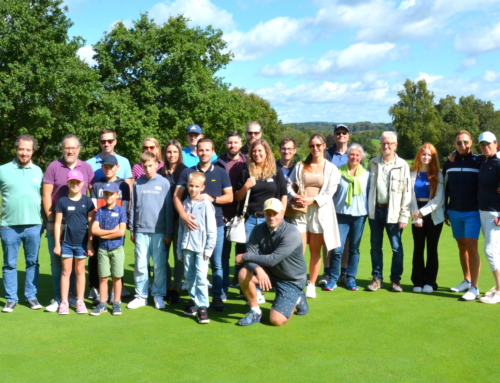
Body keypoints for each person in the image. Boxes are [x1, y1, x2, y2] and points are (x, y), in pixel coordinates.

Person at [174, 138, 233, 311]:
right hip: (192, 227)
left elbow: (229, 197)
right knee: (194, 267)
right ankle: (194, 300)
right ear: (196, 151)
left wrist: (212, 198)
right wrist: (184, 216)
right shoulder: (188, 172)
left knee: (216, 263)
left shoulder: (220, 172)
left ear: (213, 151)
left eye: (207, 150)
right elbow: (177, 197)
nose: (204, 153)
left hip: (216, 224)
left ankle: (217, 296)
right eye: (201, 150)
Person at [235, 198, 308, 326]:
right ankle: (255, 312)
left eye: (275, 213)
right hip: (270, 273)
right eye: (268, 213)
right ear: (264, 214)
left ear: (282, 213)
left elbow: (272, 259)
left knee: (276, 320)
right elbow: (253, 255)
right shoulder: (258, 230)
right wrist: (258, 269)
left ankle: (297, 298)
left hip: (291, 279)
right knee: (244, 273)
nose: (271, 217)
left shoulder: (291, 233)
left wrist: (245, 256)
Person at [42, 135, 95, 312]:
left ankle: (74, 298)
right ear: (62, 148)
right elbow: (46, 194)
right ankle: (60, 299)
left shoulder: (86, 168)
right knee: (59, 264)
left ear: (79, 149)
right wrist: (50, 220)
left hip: (80, 230)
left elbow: (91, 195)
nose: (70, 151)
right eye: (67, 148)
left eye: (73, 148)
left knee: (78, 268)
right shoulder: (53, 166)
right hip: (58, 224)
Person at [288, 134, 340, 298]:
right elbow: (289, 185)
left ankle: (311, 284)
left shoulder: (331, 168)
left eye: (318, 145)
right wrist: (295, 197)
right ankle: (297, 283)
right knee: (298, 250)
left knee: (316, 250)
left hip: (320, 213)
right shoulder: (300, 165)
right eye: (312, 146)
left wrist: (311, 200)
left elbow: (329, 192)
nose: (315, 148)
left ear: (324, 145)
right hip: (300, 212)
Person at [1, 135, 44, 313]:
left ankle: (31, 296)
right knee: (10, 264)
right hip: (9, 226)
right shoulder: (3, 170)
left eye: (28, 149)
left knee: (32, 262)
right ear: (16, 149)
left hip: (34, 225)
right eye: (21, 149)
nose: (24, 153)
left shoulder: (39, 171)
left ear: (32, 151)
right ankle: (11, 299)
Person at [127, 151, 174, 310]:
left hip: (159, 231)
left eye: (150, 166)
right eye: (145, 166)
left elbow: (168, 208)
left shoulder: (164, 183)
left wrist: (168, 232)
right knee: (140, 265)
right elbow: (133, 207)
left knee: (159, 265)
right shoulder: (137, 183)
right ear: (141, 167)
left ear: (156, 165)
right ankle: (141, 296)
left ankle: (158, 295)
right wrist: (132, 229)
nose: (148, 169)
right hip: (141, 231)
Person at [366, 131, 411, 292]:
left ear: (395, 145)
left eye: (389, 143)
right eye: (384, 143)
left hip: (394, 213)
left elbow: (407, 192)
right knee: (375, 247)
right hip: (376, 211)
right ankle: (377, 278)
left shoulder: (402, 165)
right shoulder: (373, 163)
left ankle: (396, 280)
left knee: (396, 248)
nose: (386, 146)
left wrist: (404, 215)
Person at [442, 130, 481, 300]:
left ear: (471, 142)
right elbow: (444, 189)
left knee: (472, 246)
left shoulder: (479, 161)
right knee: (461, 246)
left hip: (473, 211)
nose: (462, 145)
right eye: (459, 143)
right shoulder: (449, 163)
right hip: (454, 211)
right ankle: (466, 280)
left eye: (465, 142)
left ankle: (475, 287)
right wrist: (445, 210)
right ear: (454, 144)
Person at [89, 154, 131, 304]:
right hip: (99, 226)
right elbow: (94, 210)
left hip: (117, 227)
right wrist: (97, 230)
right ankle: (97, 290)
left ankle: (116, 293)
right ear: (102, 168)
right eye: (105, 167)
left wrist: (114, 231)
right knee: (97, 261)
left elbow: (124, 208)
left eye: (111, 167)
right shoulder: (97, 186)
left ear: (117, 168)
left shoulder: (124, 186)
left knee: (116, 261)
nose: (108, 169)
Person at [328, 144, 369, 292]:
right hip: (341, 215)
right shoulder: (338, 172)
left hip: (359, 216)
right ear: (347, 156)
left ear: (361, 157)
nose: (354, 157)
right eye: (352, 154)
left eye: (358, 155)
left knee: (354, 249)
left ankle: (351, 278)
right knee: (337, 249)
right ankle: (333, 278)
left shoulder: (366, 174)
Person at [53, 170, 95, 315]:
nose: (75, 185)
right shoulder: (62, 201)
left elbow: (91, 225)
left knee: (80, 272)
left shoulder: (87, 201)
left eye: (77, 182)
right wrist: (57, 244)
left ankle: (80, 301)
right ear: (68, 183)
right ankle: (64, 302)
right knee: (66, 272)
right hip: (66, 243)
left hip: (82, 244)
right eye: (72, 182)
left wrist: (89, 244)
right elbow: (58, 224)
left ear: (82, 183)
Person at [178, 172, 217, 324]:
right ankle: (194, 301)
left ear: (202, 187)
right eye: (191, 186)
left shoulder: (206, 204)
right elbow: (182, 229)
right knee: (189, 277)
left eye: (196, 186)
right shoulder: (185, 205)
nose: (193, 189)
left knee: (201, 277)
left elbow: (211, 230)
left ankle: (202, 306)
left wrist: (208, 249)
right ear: (187, 186)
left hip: (201, 249)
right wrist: (179, 249)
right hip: (187, 247)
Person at [213, 131, 248, 292]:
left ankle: (244, 288)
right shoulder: (217, 163)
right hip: (222, 216)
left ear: (241, 144)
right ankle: (223, 289)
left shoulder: (247, 163)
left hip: (243, 217)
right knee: (222, 256)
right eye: (229, 142)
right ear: (225, 144)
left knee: (243, 255)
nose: (232, 145)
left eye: (235, 142)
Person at [409, 144, 445, 294]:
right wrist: (416, 215)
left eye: (429, 155)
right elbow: (409, 196)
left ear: (433, 157)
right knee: (418, 248)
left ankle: (430, 282)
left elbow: (439, 199)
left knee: (431, 249)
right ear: (419, 155)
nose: (426, 157)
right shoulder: (412, 173)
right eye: (424, 154)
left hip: (434, 214)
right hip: (416, 211)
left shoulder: (438, 174)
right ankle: (417, 281)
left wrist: (422, 213)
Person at [90, 182, 128, 315]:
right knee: (103, 278)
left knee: (117, 277)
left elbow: (121, 232)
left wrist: (103, 233)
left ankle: (116, 303)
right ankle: (102, 304)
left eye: (111, 194)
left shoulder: (121, 211)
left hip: (117, 249)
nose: (108, 196)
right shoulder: (100, 211)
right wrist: (112, 232)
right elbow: (94, 230)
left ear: (117, 195)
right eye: (106, 193)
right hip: (103, 250)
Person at [159, 139, 187, 304]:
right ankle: (166, 287)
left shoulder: (185, 171)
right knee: (162, 256)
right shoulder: (160, 172)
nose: (172, 155)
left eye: (175, 152)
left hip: (179, 220)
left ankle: (176, 288)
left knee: (178, 257)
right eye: (169, 152)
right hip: (162, 220)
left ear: (179, 153)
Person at [323, 123, 350, 286]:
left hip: (347, 204)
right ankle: (327, 272)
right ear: (334, 136)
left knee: (345, 240)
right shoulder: (327, 154)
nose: (341, 135)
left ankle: (344, 272)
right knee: (327, 239)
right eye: (338, 133)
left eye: (344, 133)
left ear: (348, 136)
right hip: (329, 203)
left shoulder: (353, 154)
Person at [474, 132, 500, 303]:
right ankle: (497, 287)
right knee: (496, 251)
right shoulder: (483, 159)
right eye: (482, 145)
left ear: (496, 144)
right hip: (483, 211)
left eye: (488, 144)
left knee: (490, 251)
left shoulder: (498, 162)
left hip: (495, 214)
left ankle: (499, 291)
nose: (486, 147)